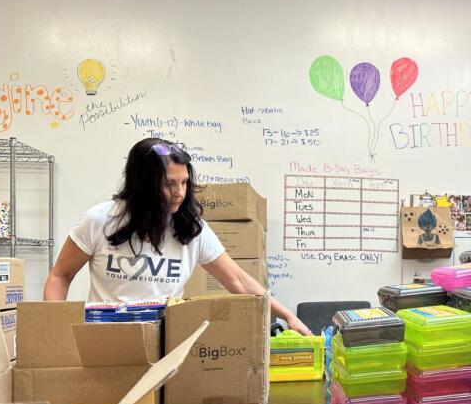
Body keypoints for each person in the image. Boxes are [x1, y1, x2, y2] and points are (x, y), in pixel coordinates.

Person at [44, 137, 311, 335]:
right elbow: (60, 275)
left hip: (165, 342)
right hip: (106, 341)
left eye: (184, 182)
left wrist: (288, 316)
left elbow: (239, 281)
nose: (179, 193)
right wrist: (53, 329)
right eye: (169, 184)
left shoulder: (192, 229)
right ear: (143, 184)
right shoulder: (100, 220)